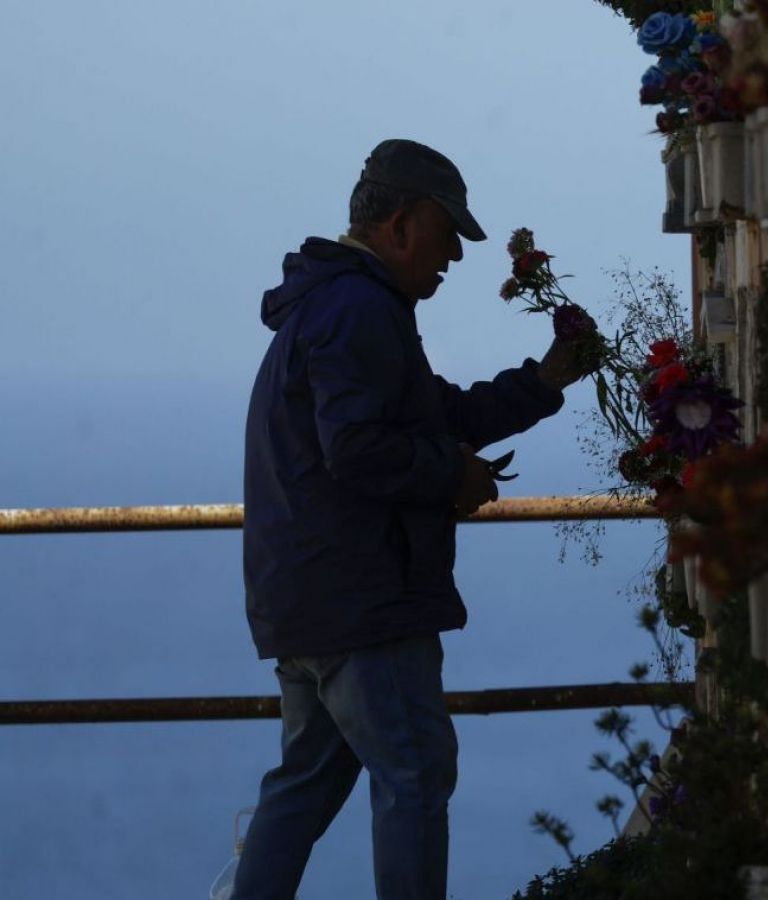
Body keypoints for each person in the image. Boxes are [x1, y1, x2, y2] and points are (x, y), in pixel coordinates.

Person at [234, 139, 589, 900]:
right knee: (416, 773)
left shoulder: (335, 303)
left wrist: (543, 382)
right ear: (400, 225)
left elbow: (428, 416)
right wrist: (452, 476)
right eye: (446, 232)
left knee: (303, 787)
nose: (455, 255)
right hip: (363, 601)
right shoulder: (359, 308)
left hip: (306, 599)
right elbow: (359, 449)